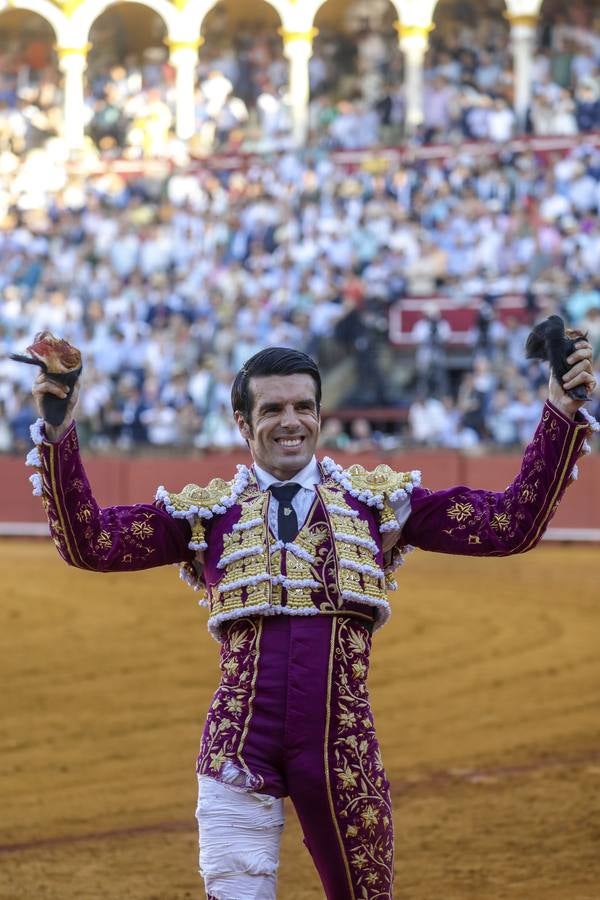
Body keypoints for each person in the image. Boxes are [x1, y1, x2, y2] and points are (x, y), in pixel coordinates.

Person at [26, 341, 597, 899]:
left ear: (320, 415)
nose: (290, 421)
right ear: (243, 424)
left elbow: (509, 524)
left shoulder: (377, 506)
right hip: (238, 745)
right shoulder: (207, 516)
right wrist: (59, 431)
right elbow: (91, 543)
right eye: (272, 409)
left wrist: (560, 409)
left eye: (303, 407)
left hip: (342, 744)